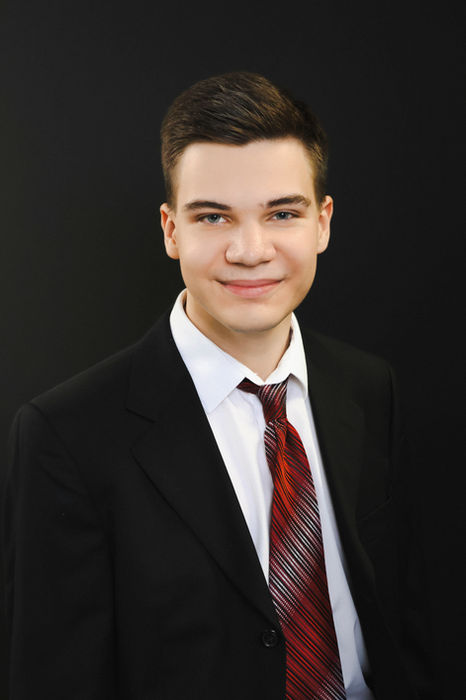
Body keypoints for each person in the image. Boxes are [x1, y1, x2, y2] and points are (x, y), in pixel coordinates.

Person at [2, 71, 432, 699]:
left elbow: (406, 626)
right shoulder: (67, 436)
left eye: (282, 213)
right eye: (214, 217)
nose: (250, 249)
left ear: (323, 223)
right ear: (171, 229)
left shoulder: (370, 388)